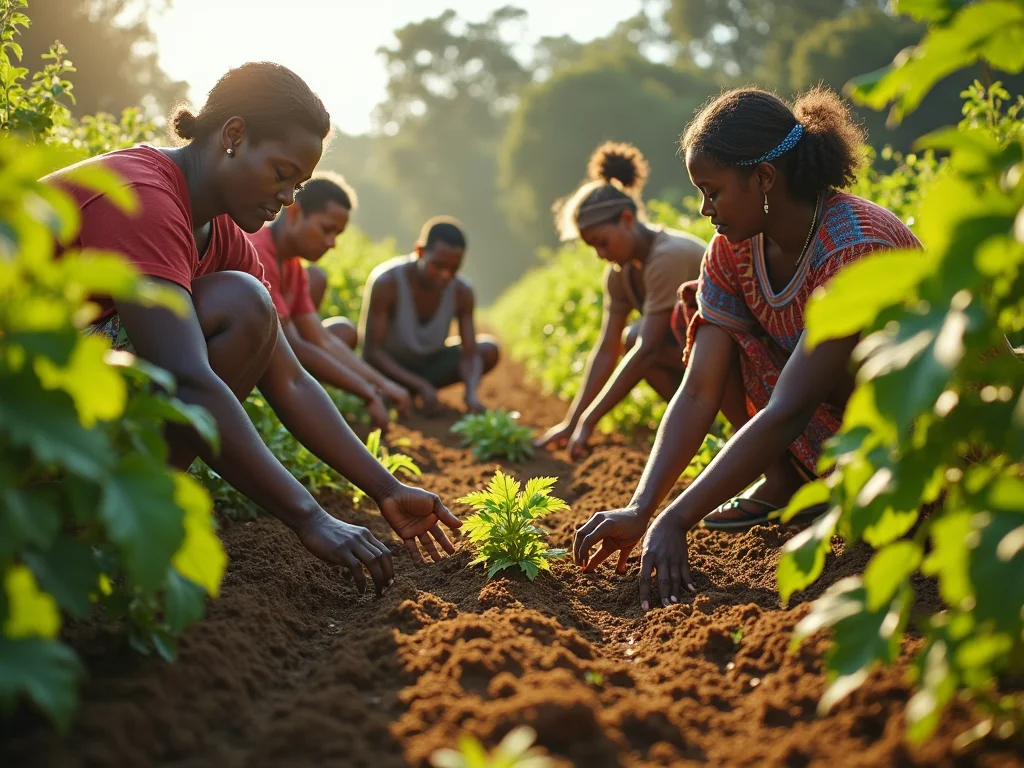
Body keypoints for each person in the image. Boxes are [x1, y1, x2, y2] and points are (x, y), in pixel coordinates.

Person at [48, 62, 460, 596]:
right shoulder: (144, 196)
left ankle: (112, 520)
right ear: (234, 135)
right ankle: (101, 516)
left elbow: (290, 379)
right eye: (282, 173)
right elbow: (187, 377)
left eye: (299, 184)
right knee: (242, 302)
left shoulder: (222, 234)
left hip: (60, 385)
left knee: (248, 306)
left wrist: (386, 488)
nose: (288, 197)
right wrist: (310, 517)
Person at [572, 87, 921, 609]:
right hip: (846, 423)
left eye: (712, 192)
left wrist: (678, 518)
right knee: (700, 314)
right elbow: (698, 390)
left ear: (763, 178)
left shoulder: (854, 246)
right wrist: (643, 508)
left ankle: (892, 495)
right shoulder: (731, 251)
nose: (704, 209)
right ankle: (793, 480)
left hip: (930, 435)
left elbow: (791, 407)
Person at [534, 142, 706, 461]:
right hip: (696, 356)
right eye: (593, 248)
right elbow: (606, 349)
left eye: (603, 242)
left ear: (627, 219)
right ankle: (701, 426)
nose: (601, 254)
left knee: (638, 337)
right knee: (631, 338)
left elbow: (648, 348)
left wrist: (590, 421)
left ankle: (698, 422)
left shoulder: (667, 256)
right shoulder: (620, 274)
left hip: (734, 354)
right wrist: (573, 422)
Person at [247, 173, 412, 430]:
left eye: (337, 234)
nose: (332, 243)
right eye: (326, 229)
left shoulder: (293, 267)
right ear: (295, 213)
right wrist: (367, 391)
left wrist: (383, 384)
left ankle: (302, 405)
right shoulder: (258, 251)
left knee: (342, 332)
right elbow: (295, 346)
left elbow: (322, 339)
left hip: (270, 358)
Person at [360, 217, 499, 415]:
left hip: (429, 367)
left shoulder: (462, 291)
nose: (445, 275)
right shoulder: (387, 283)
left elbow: (470, 352)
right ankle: (396, 391)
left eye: (454, 269)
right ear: (419, 251)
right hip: (390, 370)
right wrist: (421, 385)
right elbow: (373, 352)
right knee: (380, 391)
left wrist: (471, 393)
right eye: (438, 266)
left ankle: (410, 391)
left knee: (488, 349)